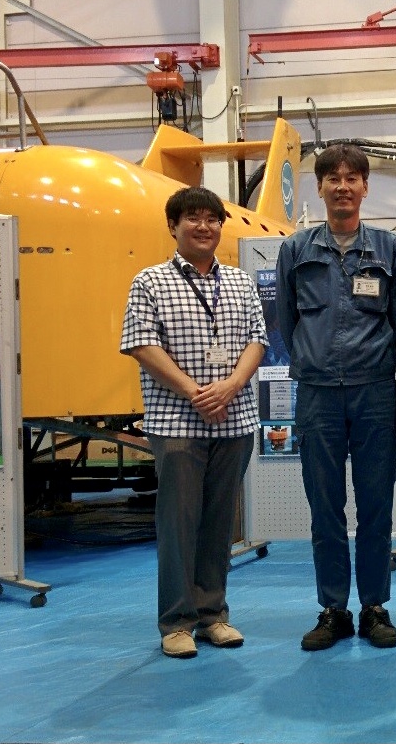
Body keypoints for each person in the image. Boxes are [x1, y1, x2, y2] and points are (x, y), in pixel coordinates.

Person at [120, 186, 267, 659]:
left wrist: (228, 388)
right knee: (179, 523)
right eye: (193, 219)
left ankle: (213, 615)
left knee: (220, 523)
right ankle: (177, 623)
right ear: (173, 226)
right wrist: (196, 392)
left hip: (234, 419)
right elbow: (141, 343)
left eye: (212, 219)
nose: (204, 227)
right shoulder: (150, 281)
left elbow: (258, 342)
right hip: (177, 421)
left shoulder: (241, 283)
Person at [275, 143, 396, 652]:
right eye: (333, 178)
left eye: (353, 178)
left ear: (365, 187)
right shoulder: (297, 249)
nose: (343, 186)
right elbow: (286, 320)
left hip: (375, 392)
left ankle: (374, 606)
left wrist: (373, 362)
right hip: (317, 394)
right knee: (325, 506)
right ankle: (333, 608)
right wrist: (314, 362)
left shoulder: (388, 249)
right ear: (321, 187)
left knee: (376, 505)